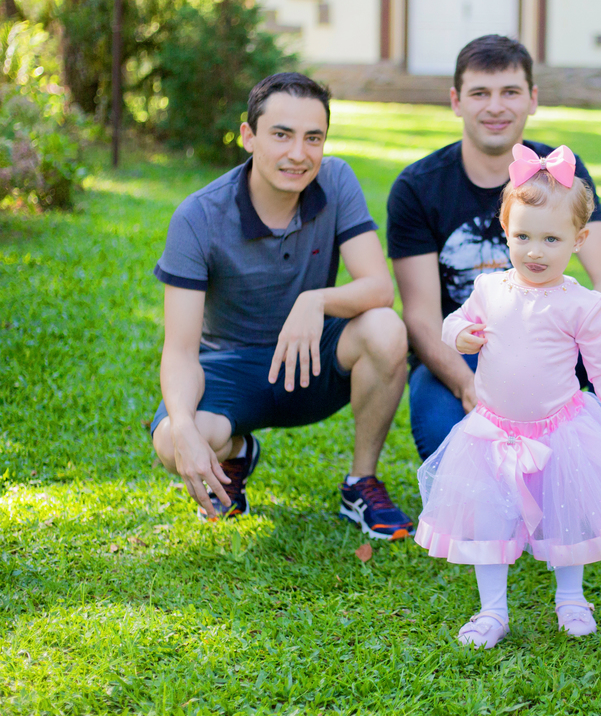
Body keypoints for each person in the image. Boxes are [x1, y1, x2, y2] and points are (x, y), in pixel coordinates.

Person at [413, 146, 601, 649]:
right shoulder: (490, 288)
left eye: (551, 239)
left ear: (579, 240)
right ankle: (493, 611)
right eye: (522, 235)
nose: (534, 251)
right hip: (491, 430)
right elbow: (454, 321)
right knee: (489, 519)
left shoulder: (583, 304)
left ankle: (570, 598)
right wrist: (460, 334)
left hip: (561, 428)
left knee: (565, 514)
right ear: (505, 229)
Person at [149, 72, 415, 540]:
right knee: (173, 439)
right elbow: (180, 351)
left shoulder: (336, 180)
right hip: (230, 370)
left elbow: (378, 287)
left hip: (312, 361)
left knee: (385, 328)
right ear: (248, 136)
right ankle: (235, 453)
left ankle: (361, 482)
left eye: (313, 138)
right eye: (281, 135)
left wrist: (316, 300)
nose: (298, 154)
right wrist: (187, 426)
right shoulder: (198, 216)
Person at [387, 35, 601, 461]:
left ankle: (584, 454)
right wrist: (469, 388)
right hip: (466, 350)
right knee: (445, 445)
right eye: (479, 93)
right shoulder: (418, 187)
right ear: (456, 101)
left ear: (532, 98)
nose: (495, 107)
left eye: (509, 92)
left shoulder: (559, 170)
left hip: (554, 339)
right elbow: (421, 316)